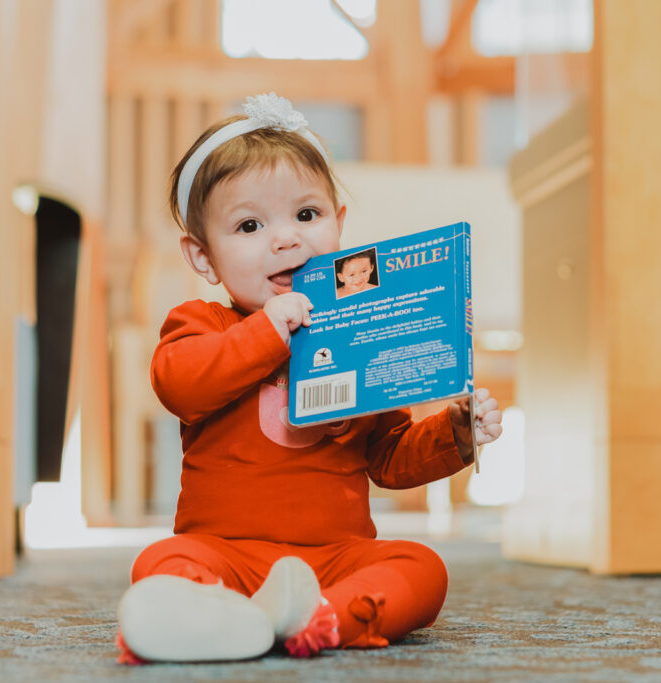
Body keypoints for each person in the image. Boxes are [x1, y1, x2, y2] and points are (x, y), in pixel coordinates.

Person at [116, 93, 503, 664]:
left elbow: (390, 458)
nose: (286, 238)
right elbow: (180, 383)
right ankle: (213, 608)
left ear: (338, 224)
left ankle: (326, 617)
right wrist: (267, 331)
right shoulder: (204, 323)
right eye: (250, 225)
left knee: (424, 568)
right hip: (226, 553)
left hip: (334, 559)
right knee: (161, 561)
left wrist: (455, 433)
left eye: (306, 215)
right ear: (203, 258)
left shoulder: (359, 329)